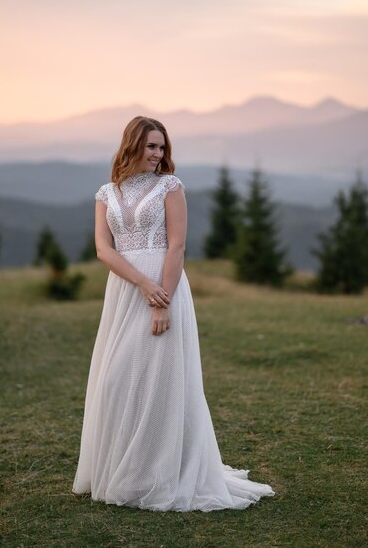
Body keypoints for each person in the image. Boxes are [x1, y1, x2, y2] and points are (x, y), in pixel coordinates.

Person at [72, 116, 275, 511]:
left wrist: (161, 298)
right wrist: (142, 285)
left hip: (165, 290)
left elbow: (177, 246)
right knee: (116, 381)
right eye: (151, 146)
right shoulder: (105, 193)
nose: (158, 154)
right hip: (127, 292)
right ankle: (124, 470)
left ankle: (159, 475)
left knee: (158, 381)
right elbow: (103, 249)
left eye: (162, 147)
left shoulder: (170, 187)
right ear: (131, 145)